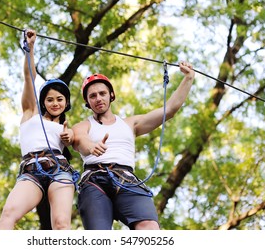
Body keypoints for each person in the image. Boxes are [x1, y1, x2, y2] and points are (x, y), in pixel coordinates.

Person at [72, 61, 195, 230]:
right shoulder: (82, 125)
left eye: (102, 93)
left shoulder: (130, 123)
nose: (98, 98)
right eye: (92, 96)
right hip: (94, 180)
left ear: (111, 95)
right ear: (87, 101)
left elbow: (169, 110)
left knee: (150, 228)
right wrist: (91, 146)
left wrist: (188, 77)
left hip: (126, 179)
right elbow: (79, 140)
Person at [0, 29, 77, 230]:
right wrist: (30, 48)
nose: (55, 103)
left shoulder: (65, 127)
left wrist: (69, 137)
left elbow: (77, 143)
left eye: (59, 99)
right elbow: (28, 78)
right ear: (42, 102)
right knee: (8, 214)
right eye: (50, 99)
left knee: (61, 224)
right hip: (31, 170)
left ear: (66, 103)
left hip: (59, 169)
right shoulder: (31, 113)